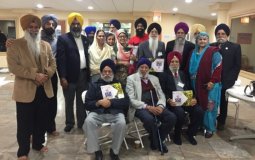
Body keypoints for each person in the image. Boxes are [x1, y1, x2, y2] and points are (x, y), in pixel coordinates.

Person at [6, 14, 56, 160]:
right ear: (25, 28)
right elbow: (13, 67)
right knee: (24, 123)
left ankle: (38, 144)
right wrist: (35, 75)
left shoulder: (45, 45)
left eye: (36, 27)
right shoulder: (15, 45)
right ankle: (22, 151)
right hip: (25, 91)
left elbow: (53, 62)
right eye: (31, 27)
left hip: (44, 88)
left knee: (41, 119)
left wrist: (46, 74)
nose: (34, 30)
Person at [126, 57, 176, 153]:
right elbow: (132, 100)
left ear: (149, 68)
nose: (144, 69)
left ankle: (156, 140)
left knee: (172, 117)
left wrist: (160, 106)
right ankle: (159, 142)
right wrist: (147, 107)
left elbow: (161, 94)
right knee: (150, 120)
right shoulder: (131, 79)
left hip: (156, 105)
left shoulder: (155, 79)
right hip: (140, 107)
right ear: (138, 67)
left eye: (146, 67)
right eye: (141, 67)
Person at [84, 59, 129, 160]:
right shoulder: (94, 85)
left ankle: (114, 151)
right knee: (88, 121)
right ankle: (97, 150)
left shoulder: (118, 85)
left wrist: (111, 102)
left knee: (122, 122)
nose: (107, 74)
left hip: (115, 112)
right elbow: (87, 104)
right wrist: (98, 102)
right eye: (105, 71)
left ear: (113, 72)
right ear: (101, 72)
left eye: (109, 71)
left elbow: (126, 102)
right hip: (98, 112)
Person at [159, 51, 204, 145]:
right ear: (168, 62)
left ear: (179, 62)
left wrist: (194, 98)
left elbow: (190, 88)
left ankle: (191, 133)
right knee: (180, 113)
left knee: (199, 110)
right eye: (172, 61)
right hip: (173, 101)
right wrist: (168, 100)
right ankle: (177, 134)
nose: (174, 64)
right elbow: (161, 91)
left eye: (176, 61)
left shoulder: (183, 74)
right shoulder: (163, 75)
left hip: (185, 99)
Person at [56, 12, 90, 132]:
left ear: (81, 25)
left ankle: (81, 122)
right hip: (69, 77)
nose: (76, 26)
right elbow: (60, 59)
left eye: (78, 23)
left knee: (81, 100)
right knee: (69, 100)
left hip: (83, 75)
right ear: (70, 24)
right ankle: (69, 122)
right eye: (74, 24)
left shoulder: (85, 39)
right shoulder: (63, 39)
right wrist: (62, 77)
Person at [187, 32, 222, 138]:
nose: (202, 41)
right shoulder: (192, 52)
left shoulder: (213, 51)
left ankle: (209, 128)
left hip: (210, 85)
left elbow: (218, 67)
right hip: (195, 84)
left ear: (208, 40)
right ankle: (200, 125)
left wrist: (212, 81)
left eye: (205, 39)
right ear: (196, 41)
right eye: (200, 39)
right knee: (199, 105)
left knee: (209, 106)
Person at [210, 23, 241, 130]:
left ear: (227, 35)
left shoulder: (235, 47)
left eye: (223, 34)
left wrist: (230, 81)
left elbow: (237, 66)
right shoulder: (211, 46)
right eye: (218, 34)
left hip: (226, 81)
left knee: (223, 102)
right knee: (211, 100)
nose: (220, 36)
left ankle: (221, 121)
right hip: (212, 80)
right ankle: (210, 119)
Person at [41, 14, 59, 136]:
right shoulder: (36, 38)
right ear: (43, 25)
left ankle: (51, 128)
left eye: (53, 24)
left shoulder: (57, 39)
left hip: (52, 75)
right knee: (40, 103)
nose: (50, 26)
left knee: (52, 101)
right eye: (48, 23)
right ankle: (37, 130)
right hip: (38, 76)